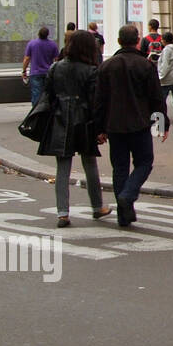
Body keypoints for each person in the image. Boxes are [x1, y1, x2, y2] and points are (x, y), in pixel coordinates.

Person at [94, 24, 168, 227]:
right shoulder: (145, 66)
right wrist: (162, 124)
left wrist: (98, 129)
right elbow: (156, 98)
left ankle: (123, 214)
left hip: (114, 125)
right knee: (144, 162)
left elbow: (99, 101)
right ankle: (128, 195)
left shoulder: (107, 66)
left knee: (119, 167)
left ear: (118, 41)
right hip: (140, 124)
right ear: (137, 41)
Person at [38, 28, 111, 228]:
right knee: (90, 164)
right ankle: (97, 207)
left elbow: (48, 95)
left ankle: (63, 213)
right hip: (83, 121)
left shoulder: (56, 68)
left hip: (61, 119)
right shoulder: (91, 70)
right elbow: (96, 101)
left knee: (62, 168)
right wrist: (100, 128)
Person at [21, 26, 59, 108]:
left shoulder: (32, 44)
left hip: (35, 73)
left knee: (36, 95)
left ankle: (36, 112)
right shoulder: (53, 45)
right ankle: (47, 112)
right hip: (48, 73)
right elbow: (56, 59)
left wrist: (24, 70)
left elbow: (27, 58)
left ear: (38, 34)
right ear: (48, 35)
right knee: (48, 94)